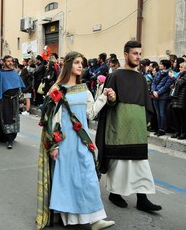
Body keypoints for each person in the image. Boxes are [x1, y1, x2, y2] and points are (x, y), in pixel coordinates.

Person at [36, 51, 116, 230]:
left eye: (82, 63)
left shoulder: (85, 89)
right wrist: (53, 145)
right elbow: (52, 119)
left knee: (88, 178)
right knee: (68, 179)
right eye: (77, 62)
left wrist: (103, 97)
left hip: (83, 142)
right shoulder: (57, 89)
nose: (81, 66)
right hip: (65, 143)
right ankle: (72, 220)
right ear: (68, 65)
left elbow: (90, 114)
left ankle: (95, 219)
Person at [96, 40, 162, 213]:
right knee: (120, 165)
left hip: (137, 130)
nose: (138, 57)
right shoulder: (115, 75)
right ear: (125, 54)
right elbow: (107, 101)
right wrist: (111, 99)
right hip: (119, 129)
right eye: (135, 53)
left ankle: (143, 198)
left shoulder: (141, 78)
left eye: (140, 54)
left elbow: (146, 105)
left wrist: (145, 123)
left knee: (141, 164)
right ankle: (115, 194)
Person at [0, 55, 26, 149]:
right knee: (6, 119)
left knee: (15, 118)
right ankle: (9, 140)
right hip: (4, 100)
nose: (10, 63)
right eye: (8, 61)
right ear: (4, 63)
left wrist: (21, 100)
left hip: (15, 99)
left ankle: (12, 137)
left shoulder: (15, 73)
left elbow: (19, 87)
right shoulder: (0, 74)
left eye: (11, 61)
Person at [169, 62, 186, 140]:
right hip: (176, 98)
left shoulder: (185, 75)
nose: (179, 69)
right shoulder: (180, 75)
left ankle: (183, 133)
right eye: (179, 67)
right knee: (176, 117)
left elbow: (180, 83)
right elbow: (176, 84)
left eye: (181, 67)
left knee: (182, 117)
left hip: (182, 98)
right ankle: (177, 132)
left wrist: (173, 77)